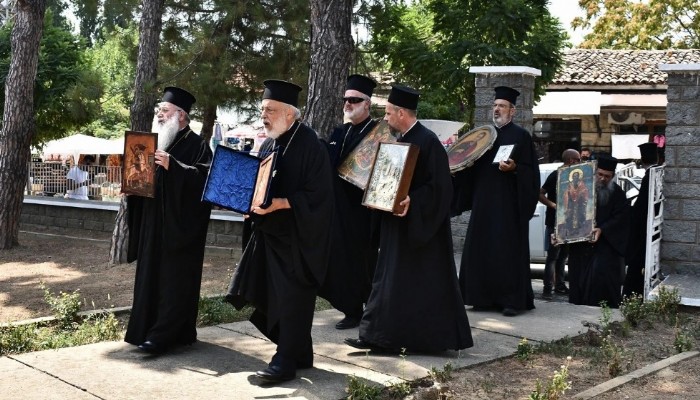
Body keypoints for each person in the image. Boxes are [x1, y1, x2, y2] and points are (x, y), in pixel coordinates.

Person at [344, 84, 473, 353]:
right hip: (396, 225)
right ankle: (375, 336)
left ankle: (415, 339)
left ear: (402, 113)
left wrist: (413, 201)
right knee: (386, 281)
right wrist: (377, 197)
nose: (386, 118)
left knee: (412, 287)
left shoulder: (428, 142)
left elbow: (441, 188)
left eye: (389, 113)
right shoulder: (398, 139)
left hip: (420, 233)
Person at [225, 80, 334, 383]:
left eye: (270, 110)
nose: (264, 116)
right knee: (274, 298)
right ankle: (301, 353)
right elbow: (258, 186)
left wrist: (281, 203)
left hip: (298, 241)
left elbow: (321, 197)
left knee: (292, 301)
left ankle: (284, 361)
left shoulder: (312, 145)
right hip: (270, 236)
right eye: (262, 110)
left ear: (290, 113)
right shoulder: (270, 143)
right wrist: (249, 204)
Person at [124, 87, 213, 354]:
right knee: (149, 277)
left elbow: (205, 180)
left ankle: (163, 336)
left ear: (181, 116)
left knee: (173, 282)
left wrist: (174, 166)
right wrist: (131, 186)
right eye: (159, 111)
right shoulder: (154, 142)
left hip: (179, 230)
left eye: (165, 111)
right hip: (153, 225)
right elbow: (142, 180)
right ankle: (144, 331)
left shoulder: (198, 145)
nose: (160, 115)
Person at [452, 86, 540, 317]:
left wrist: (515, 169)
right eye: (495, 105)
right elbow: (470, 165)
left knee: (506, 251)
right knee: (481, 248)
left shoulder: (521, 136)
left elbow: (531, 173)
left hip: (508, 205)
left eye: (502, 106)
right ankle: (481, 297)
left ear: (513, 110)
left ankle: (511, 301)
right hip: (483, 202)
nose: (497, 109)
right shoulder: (484, 136)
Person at [319, 74, 379, 330]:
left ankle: (369, 308)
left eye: (354, 100)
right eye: (345, 100)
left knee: (363, 262)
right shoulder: (339, 131)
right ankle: (350, 308)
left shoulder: (378, 133)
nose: (347, 105)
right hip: (337, 210)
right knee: (340, 262)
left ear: (367, 104)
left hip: (363, 211)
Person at [568, 155, 629, 308]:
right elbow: (570, 212)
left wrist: (602, 229)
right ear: (595, 173)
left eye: (607, 176)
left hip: (605, 246)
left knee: (601, 280)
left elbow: (621, 219)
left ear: (612, 176)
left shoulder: (618, 194)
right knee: (578, 280)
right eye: (600, 174)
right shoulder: (581, 190)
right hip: (581, 245)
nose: (602, 179)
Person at [539, 149, 580, 300]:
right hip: (555, 223)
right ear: (571, 160)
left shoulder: (575, 177)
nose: (579, 162)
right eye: (578, 159)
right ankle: (547, 287)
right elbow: (540, 193)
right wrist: (553, 205)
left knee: (563, 256)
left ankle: (560, 285)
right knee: (553, 256)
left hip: (569, 222)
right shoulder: (556, 175)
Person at [623, 142, 658, 297]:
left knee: (636, 267)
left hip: (643, 229)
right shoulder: (656, 173)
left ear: (642, 160)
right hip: (649, 225)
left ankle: (631, 296)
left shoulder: (649, 176)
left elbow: (641, 206)